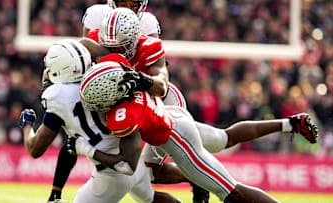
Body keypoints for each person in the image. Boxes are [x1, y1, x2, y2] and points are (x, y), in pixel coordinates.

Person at [75, 60, 318, 203]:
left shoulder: (125, 114)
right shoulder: (132, 84)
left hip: (175, 139)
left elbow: (127, 164)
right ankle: (290, 123)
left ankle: (197, 177)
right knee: (224, 138)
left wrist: (86, 149)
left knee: (230, 192)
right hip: (175, 117)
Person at [51, 3, 209, 203]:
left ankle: (199, 177)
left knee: (215, 141)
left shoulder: (148, 40)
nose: (115, 48)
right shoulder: (95, 27)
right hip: (116, 93)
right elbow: (80, 58)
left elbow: (159, 80)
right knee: (143, 186)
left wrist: (86, 149)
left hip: (147, 97)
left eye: (132, 3)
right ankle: (55, 192)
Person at [19, 39, 181, 203]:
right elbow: (70, 146)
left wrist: (27, 124)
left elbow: (35, 149)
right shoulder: (104, 78)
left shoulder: (58, 99)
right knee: (152, 199)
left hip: (111, 173)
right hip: (135, 160)